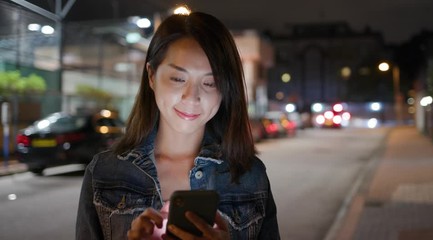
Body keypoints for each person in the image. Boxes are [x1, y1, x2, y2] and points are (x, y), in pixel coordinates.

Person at [76, 11, 280, 240]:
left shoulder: (250, 176)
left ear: (225, 90)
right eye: (178, 78)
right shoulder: (105, 172)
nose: (192, 97)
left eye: (210, 82)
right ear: (152, 76)